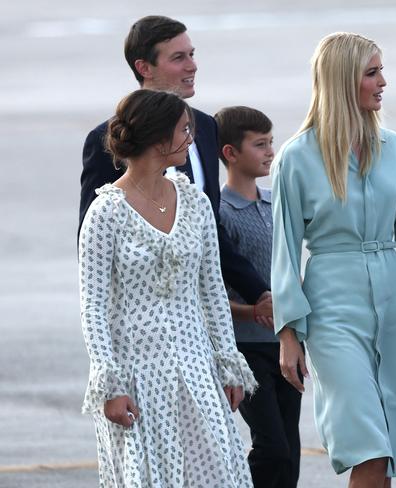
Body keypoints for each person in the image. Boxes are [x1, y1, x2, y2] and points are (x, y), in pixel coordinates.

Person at [271, 32, 396, 488]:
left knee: (389, 444)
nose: (383, 82)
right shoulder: (296, 158)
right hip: (333, 309)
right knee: (368, 446)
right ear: (342, 81)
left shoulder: (393, 147)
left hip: (394, 301)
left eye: (381, 71)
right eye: (372, 72)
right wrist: (288, 336)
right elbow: (284, 251)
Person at [79, 89, 257, 487]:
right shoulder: (104, 213)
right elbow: (93, 307)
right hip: (137, 375)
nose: (192, 139)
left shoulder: (194, 202)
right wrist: (110, 384)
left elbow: (212, 290)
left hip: (197, 367)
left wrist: (227, 362)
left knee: (216, 474)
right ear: (160, 140)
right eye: (184, 130)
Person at [79, 15, 272, 319]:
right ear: (144, 67)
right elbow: (93, 247)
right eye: (179, 58)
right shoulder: (106, 140)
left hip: (205, 313)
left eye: (192, 55)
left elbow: (211, 229)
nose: (192, 66)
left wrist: (260, 293)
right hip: (142, 319)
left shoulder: (207, 127)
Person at [215, 106, 302, 488]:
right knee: (271, 447)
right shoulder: (218, 212)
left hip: (287, 343)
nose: (270, 152)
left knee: (291, 447)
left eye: (271, 142)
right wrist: (251, 311)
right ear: (230, 153)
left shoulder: (277, 203)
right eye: (260, 144)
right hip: (245, 349)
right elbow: (210, 294)